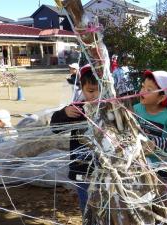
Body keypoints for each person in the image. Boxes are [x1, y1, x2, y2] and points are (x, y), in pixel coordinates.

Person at [51, 65, 99, 213]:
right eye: (90, 91)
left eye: (100, 90)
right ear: (82, 89)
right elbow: (55, 127)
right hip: (81, 168)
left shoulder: (112, 109)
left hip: (104, 170)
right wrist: (64, 113)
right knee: (87, 205)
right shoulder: (76, 109)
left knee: (105, 206)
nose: (96, 95)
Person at [133, 70, 167, 175]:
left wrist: (155, 144)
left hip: (160, 166)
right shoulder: (136, 109)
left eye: (149, 90)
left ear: (161, 97)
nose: (143, 91)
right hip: (138, 160)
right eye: (143, 87)